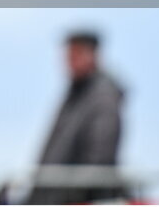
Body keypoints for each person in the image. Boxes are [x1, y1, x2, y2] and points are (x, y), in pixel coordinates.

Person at [28, 31, 125, 204]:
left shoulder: (102, 98)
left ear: (92, 55)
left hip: (77, 198)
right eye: (68, 56)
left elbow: (99, 157)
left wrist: (73, 195)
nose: (69, 63)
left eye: (75, 55)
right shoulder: (75, 95)